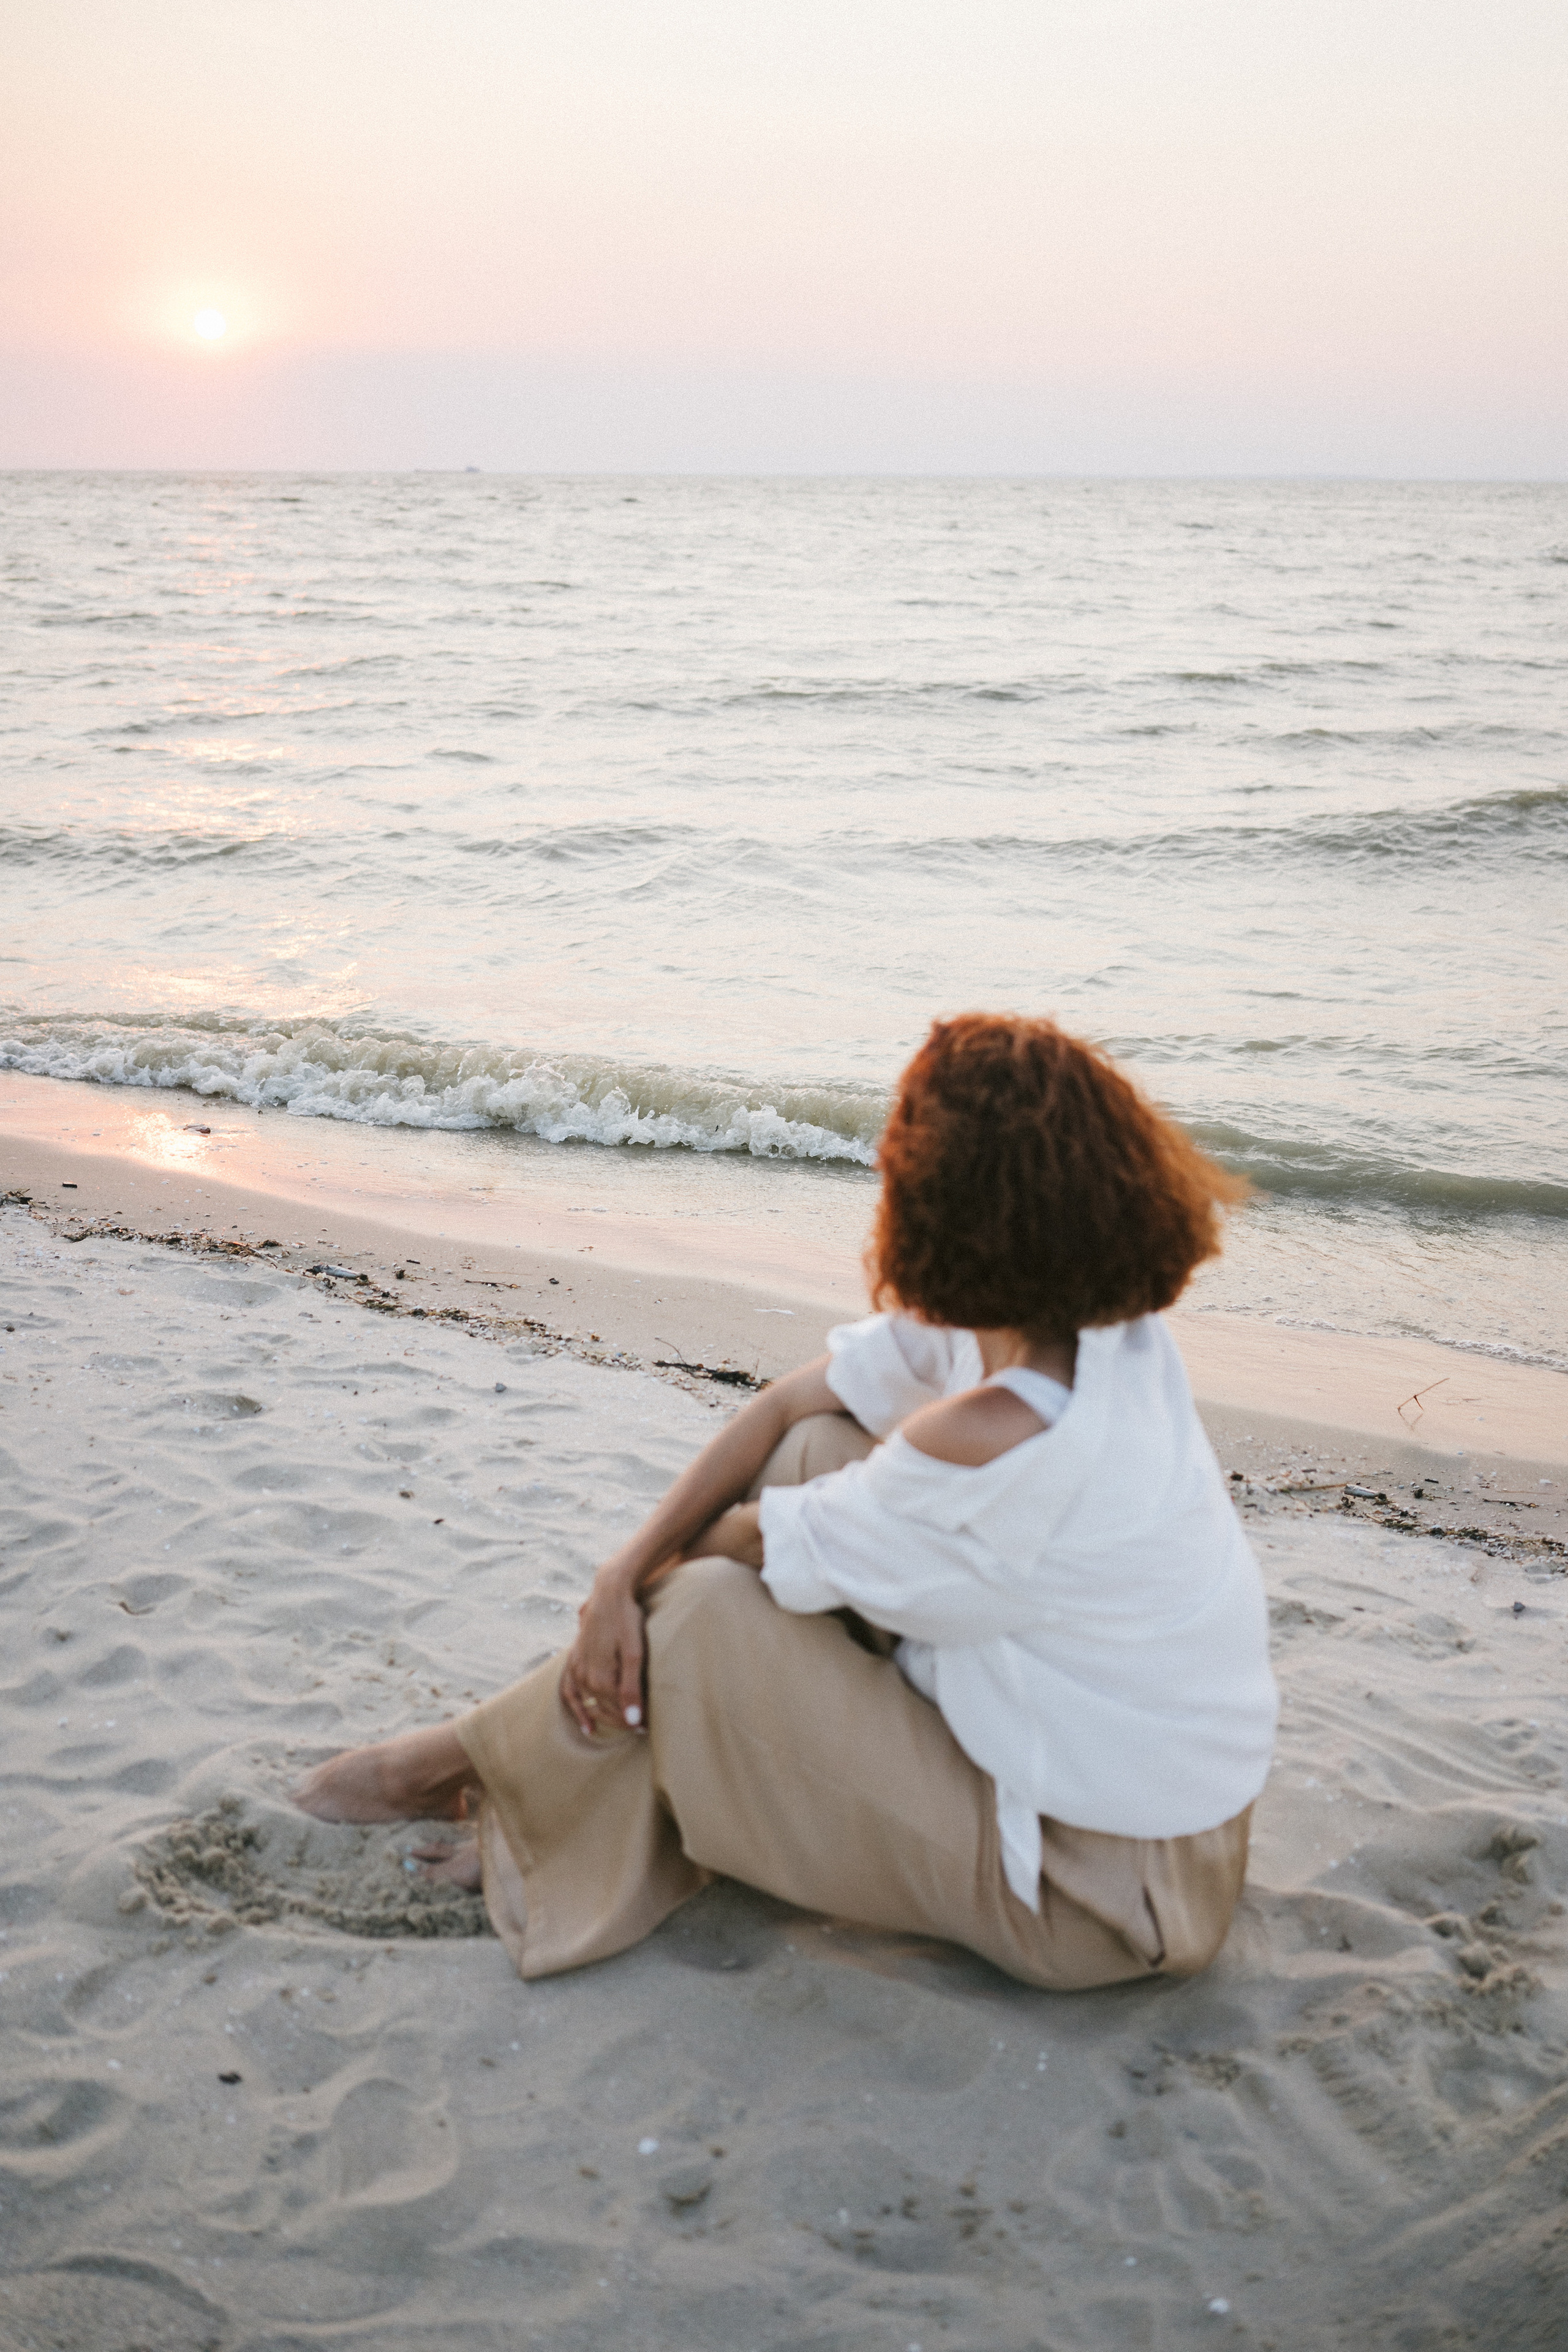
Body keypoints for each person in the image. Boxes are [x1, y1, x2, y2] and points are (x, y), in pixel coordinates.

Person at [295, 1014, 1278, 1989]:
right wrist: (617, 1576)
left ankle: (451, 1769)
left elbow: (742, 1551)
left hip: (1102, 1892)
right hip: (1147, 1803)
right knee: (812, 1452)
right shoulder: (1096, 1337)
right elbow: (786, 1410)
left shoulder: (999, 1437)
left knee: (700, 1620)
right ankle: (533, 1779)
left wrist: (630, 1604)